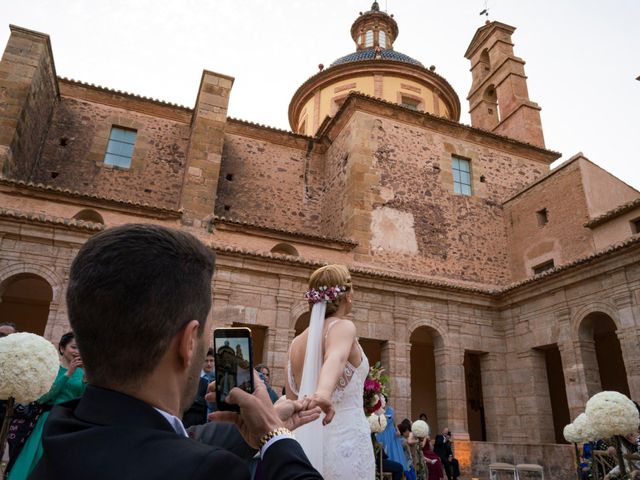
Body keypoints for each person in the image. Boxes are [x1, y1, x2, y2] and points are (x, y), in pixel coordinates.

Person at [30, 224, 322, 480]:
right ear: (189, 342)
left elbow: (160, 439)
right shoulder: (210, 471)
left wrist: (259, 427)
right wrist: (274, 435)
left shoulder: (59, 430)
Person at [286, 264, 375, 478]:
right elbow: (335, 357)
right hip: (345, 443)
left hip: (305, 445)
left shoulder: (296, 343)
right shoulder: (343, 327)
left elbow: (292, 402)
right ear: (346, 295)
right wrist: (324, 393)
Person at [8, 332, 86, 479]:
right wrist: (68, 373)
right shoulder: (52, 370)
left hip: (70, 421)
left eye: (81, 348)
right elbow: (43, 398)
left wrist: (85, 378)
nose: (77, 352)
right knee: (37, 456)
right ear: (62, 348)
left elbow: (84, 398)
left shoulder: (83, 373)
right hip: (48, 418)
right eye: (74, 347)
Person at [376, 401, 407, 468]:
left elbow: (393, 421)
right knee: (383, 448)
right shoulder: (377, 411)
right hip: (382, 432)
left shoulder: (390, 409)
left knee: (393, 449)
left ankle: (395, 467)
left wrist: (398, 430)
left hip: (391, 432)